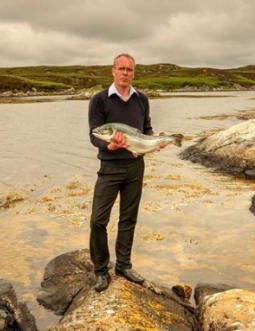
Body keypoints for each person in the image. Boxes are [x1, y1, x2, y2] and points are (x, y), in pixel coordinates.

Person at [88, 53, 165, 292]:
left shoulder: (142, 99)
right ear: (113, 71)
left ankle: (123, 265)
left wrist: (155, 142)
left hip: (135, 166)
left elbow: (147, 128)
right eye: (121, 69)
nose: (125, 73)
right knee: (98, 221)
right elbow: (94, 135)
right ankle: (101, 271)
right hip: (109, 168)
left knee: (128, 219)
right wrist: (108, 146)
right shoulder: (99, 100)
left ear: (134, 72)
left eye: (129, 70)